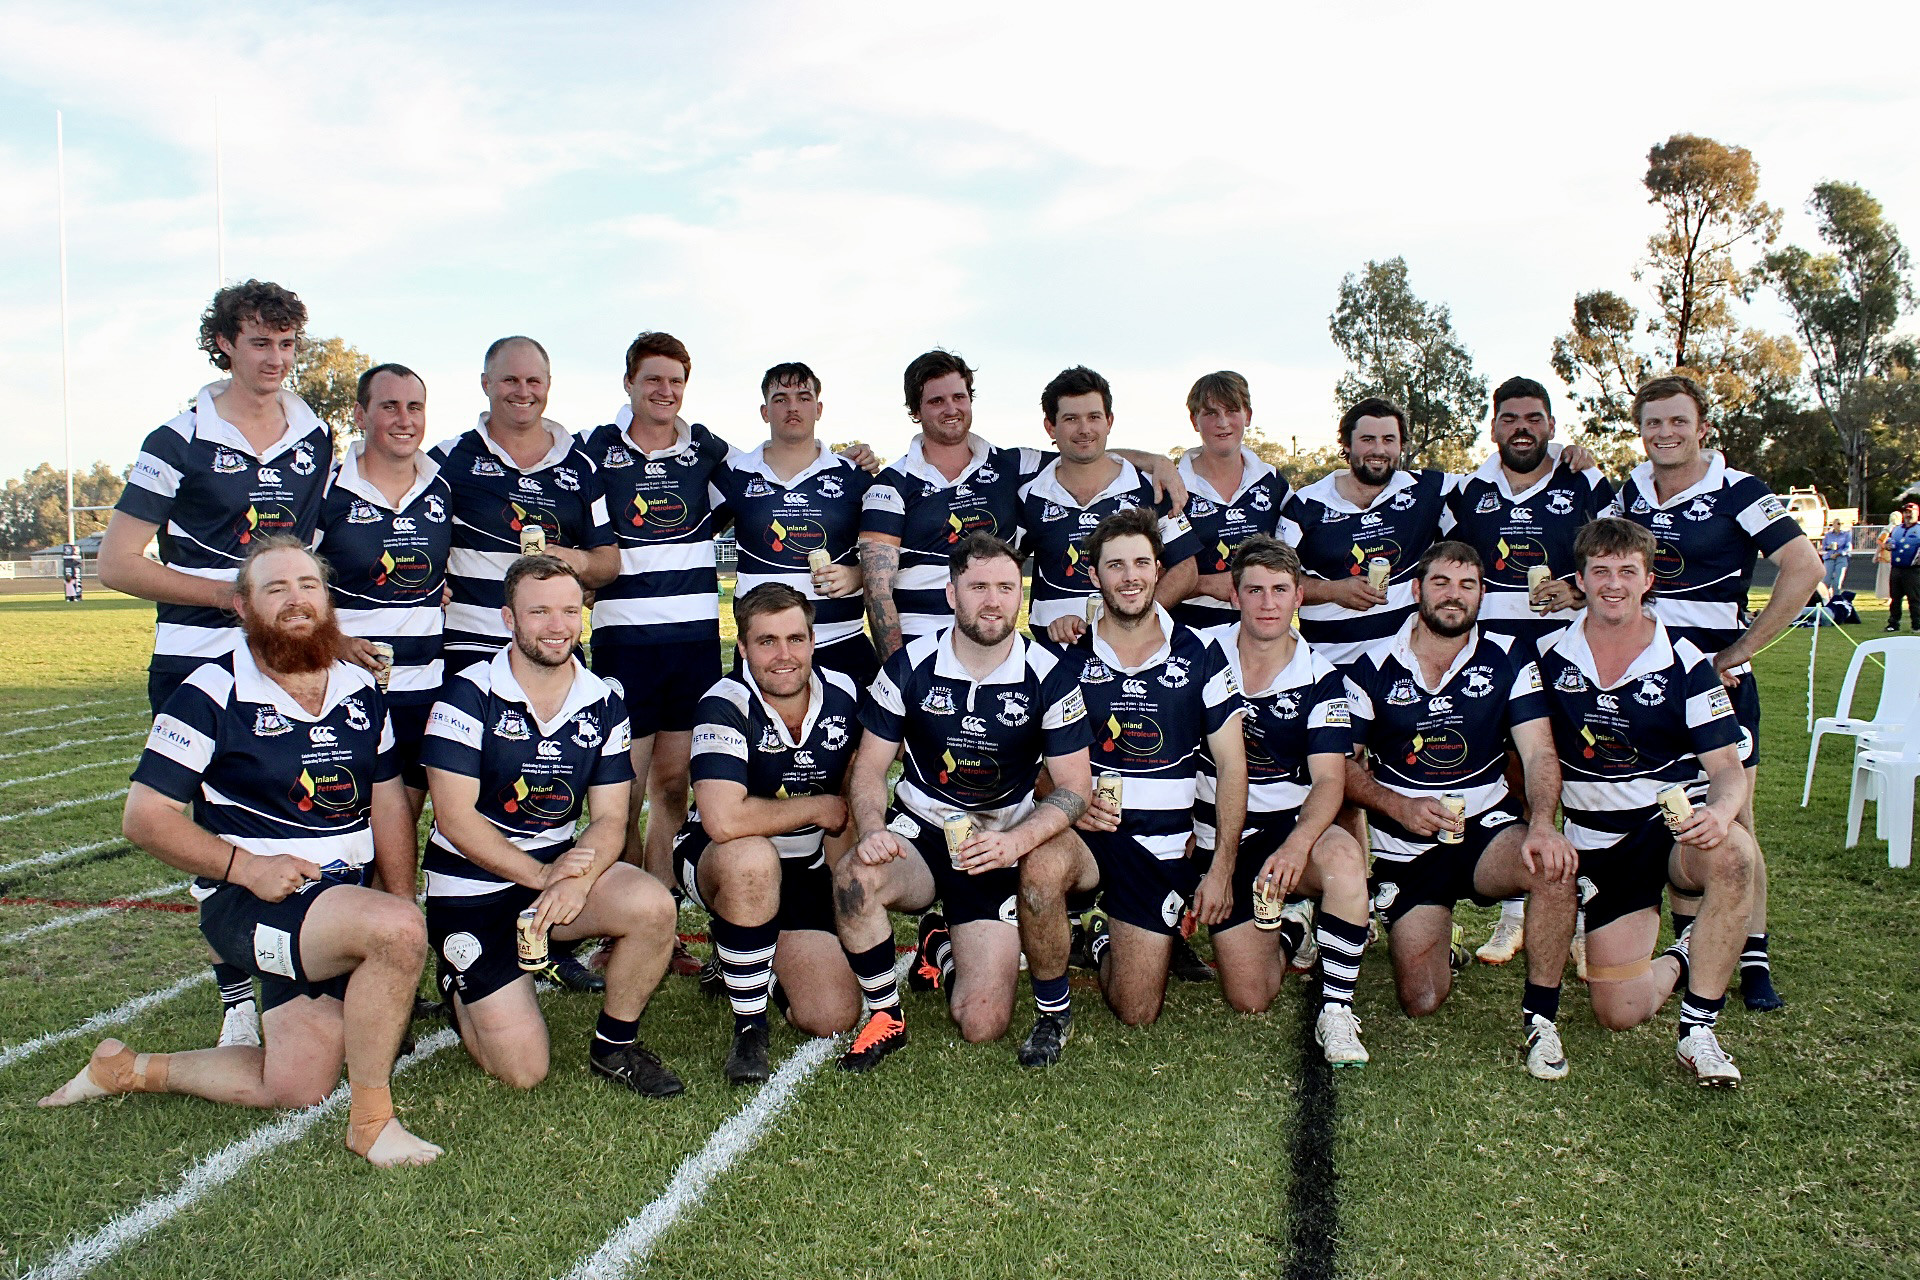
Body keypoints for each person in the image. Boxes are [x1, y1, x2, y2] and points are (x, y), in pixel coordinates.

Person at [40, 538, 441, 1166]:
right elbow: (144, 817)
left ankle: (128, 1069)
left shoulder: (361, 690)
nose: (296, 600)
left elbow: (388, 801)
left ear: (328, 600)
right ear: (241, 607)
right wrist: (245, 867)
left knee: (296, 1087)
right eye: (275, 589)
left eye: (308, 585)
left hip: (341, 904)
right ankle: (372, 1123)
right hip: (250, 902)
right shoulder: (209, 691)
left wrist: (399, 895)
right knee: (392, 931)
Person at [98, 280, 331, 1049]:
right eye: (259, 342)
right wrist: (229, 596)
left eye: (287, 344)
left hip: (285, 659)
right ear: (224, 343)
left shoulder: (315, 435)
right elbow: (117, 563)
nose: (275, 359)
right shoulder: (178, 438)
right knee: (208, 825)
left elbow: (309, 554)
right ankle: (236, 995)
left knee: (289, 808)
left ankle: (303, 963)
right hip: (195, 659)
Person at [421, 556, 683, 1096]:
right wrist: (543, 880)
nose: (557, 625)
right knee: (523, 1071)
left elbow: (611, 819)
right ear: (508, 620)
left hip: (555, 868)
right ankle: (458, 979)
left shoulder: (603, 697)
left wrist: (576, 880)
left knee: (652, 905)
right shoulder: (465, 695)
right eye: (538, 611)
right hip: (471, 882)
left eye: (568, 609)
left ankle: (615, 1044)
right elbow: (455, 819)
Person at [830, 533, 1093, 1072]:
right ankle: (886, 1016)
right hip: (923, 831)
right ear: (952, 594)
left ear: (1019, 595)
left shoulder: (1050, 673)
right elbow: (870, 768)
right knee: (855, 877)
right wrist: (873, 827)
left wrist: (1012, 844)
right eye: (978, 586)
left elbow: (1073, 788)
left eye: (1004, 586)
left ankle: (943, 945)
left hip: (1000, 841)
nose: (992, 600)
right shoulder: (908, 665)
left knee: (981, 1023)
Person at [1605, 374, 1823, 1010]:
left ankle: (1753, 958)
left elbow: (1804, 567)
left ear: (1702, 427)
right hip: (1646, 684)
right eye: (1653, 423)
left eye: (1678, 421)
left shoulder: (1740, 490)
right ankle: (1692, 943)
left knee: (1735, 822)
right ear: (1640, 429)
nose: (1665, 433)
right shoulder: (1630, 491)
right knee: (1671, 812)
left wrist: (1740, 650)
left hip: (1717, 686)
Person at [1014, 508, 1245, 1066]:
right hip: (1089, 837)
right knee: (1042, 868)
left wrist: (1221, 869)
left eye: (1141, 562)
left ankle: (1098, 938)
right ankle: (1053, 1011)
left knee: (1138, 1010)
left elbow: (1233, 767)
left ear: (1158, 568)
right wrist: (1062, 798)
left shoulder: (1204, 654)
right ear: (1094, 576)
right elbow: (1025, 756)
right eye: (1114, 565)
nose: (1130, 575)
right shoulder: (1063, 655)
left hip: (1161, 850)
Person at [1341, 542, 1580, 1080]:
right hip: (1407, 844)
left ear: (1482, 594)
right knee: (1421, 1000)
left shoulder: (1509, 656)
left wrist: (1542, 825)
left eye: (1467, 585)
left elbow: (1540, 751)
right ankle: (1436, 938)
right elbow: (1343, 768)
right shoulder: (1370, 665)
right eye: (1442, 583)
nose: (1454, 596)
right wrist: (1397, 805)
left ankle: (1541, 1021)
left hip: (1486, 830)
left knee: (1552, 866)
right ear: (1416, 590)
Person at [1533, 518, 1759, 1086]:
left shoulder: (1686, 661)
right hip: (1599, 844)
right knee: (1619, 1012)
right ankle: (1686, 951)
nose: (1613, 583)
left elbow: (1728, 771)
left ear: (1648, 579)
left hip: (1671, 827)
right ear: (1579, 580)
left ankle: (1699, 1030)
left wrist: (1721, 813)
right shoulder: (1544, 655)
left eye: (1627, 571)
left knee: (1735, 856)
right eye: (1601, 571)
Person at [432, 335, 619, 993]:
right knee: (468, 797)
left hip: (552, 646)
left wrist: (563, 566)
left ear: (549, 384)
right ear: (486, 383)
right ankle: (460, 934)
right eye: (510, 380)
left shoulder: (581, 465)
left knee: (554, 787)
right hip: (472, 651)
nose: (523, 392)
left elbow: (608, 561)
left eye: (534, 381)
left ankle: (548, 927)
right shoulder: (450, 459)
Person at [859, 349, 1186, 659]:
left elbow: (1082, 452)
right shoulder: (891, 483)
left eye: (959, 397)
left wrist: (1155, 461)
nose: (951, 409)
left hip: (995, 644)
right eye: (936, 401)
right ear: (916, 411)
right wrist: (898, 670)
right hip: (923, 646)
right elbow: (877, 590)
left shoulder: (1012, 465)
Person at [1442, 376, 1612, 965]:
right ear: (1493, 427)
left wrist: (1580, 588)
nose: (1522, 428)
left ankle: (1592, 918)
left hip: (1570, 656)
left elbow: (1620, 556)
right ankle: (1516, 912)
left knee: (1581, 777)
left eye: (1533, 418)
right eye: (1510, 418)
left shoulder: (1585, 480)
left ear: (1551, 425)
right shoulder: (1466, 491)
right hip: (1496, 659)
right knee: (1514, 777)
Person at [673, 584, 863, 1083]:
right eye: (766, 642)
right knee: (752, 860)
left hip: (803, 863)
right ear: (743, 648)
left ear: (813, 640)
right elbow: (724, 821)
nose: (784, 655)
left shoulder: (843, 694)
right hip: (719, 856)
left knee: (831, 1017)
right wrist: (818, 806)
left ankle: (743, 947)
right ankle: (749, 1026)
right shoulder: (724, 703)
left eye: (796, 639)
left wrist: (846, 898)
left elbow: (846, 809)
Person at [1201, 536, 1374, 1066]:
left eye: (1280, 590)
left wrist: (1299, 846)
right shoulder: (1199, 652)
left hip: (1283, 827)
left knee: (1343, 858)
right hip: (1210, 832)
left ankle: (1337, 1009)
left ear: (1300, 596)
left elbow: (1329, 781)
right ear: (1234, 596)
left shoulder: (1323, 680)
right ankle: (1293, 928)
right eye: (1254, 590)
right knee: (1250, 998)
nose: (1268, 603)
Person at [316, 364, 451, 821]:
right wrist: (334, 643)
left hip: (423, 691)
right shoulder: (327, 489)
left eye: (414, 407)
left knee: (399, 831)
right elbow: (287, 588)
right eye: (389, 406)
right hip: (345, 687)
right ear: (360, 414)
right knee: (345, 825)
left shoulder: (442, 486)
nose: (404, 419)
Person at [712, 363, 877, 686]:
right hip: (765, 649)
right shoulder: (734, 474)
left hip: (841, 641)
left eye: (803, 397)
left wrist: (857, 575)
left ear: (818, 408)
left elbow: (888, 554)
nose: (792, 407)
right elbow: (684, 535)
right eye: (780, 399)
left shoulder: (853, 475)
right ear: (764, 411)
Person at [1017, 365, 1201, 649]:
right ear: (1050, 426)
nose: (1084, 429)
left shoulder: (1149, 487)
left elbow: (1186, 569)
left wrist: (1133, 617)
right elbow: (1002, 568)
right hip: (1055, 655)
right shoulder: (1028, 492)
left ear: (1109, 421)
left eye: (1094, 417)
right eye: (1071, 419)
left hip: (1134, 650)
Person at [1280, 397, 1453, 666]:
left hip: (1403, 670)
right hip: (1329, 668)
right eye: (1368, 439)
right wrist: (1333, 591)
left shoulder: (1428, 490)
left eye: (1388, 440)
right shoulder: (1305, 506)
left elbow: (1501, 477)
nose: (1379, 450)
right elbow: (1274, 580)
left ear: (1401, 445)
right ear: (1346, 445)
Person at [1166, 371, 1291, 632]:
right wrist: (1205, 584)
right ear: (1194, 420)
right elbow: (1150, 575)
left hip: (1261, 635)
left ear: (1248, 415)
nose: (1222, 422)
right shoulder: (1172, 488)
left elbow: (1293, 561)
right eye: (1211, 413)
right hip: (1190, 636)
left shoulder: (1273, 482)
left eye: (1232, 410)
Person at [1884, 503, 1920, 630]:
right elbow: (1889, 542)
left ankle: (1916, 624)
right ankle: (1893, 623)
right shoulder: (1897, 529)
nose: (1907, 515)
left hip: (1913, 570)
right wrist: (1887, 546)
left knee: (1914, 599)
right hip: (1897, 568)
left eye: (1910, 512)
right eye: (1905, 512)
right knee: (1895, 598)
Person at [1819, 520, 1853, 599]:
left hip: (1841, 557)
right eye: (1838, 523)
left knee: (1837, 582)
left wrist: (1838, 553)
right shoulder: (1828, 535)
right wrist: (1829, 547)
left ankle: (1836, 600)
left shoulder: (1846, 534)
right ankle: (1825, 599)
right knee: (1826, 581)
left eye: (1841, 523)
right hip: (1829, 558)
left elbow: (1848, 547)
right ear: (1833, 525)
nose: (1840, 525)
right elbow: (1824, 547)